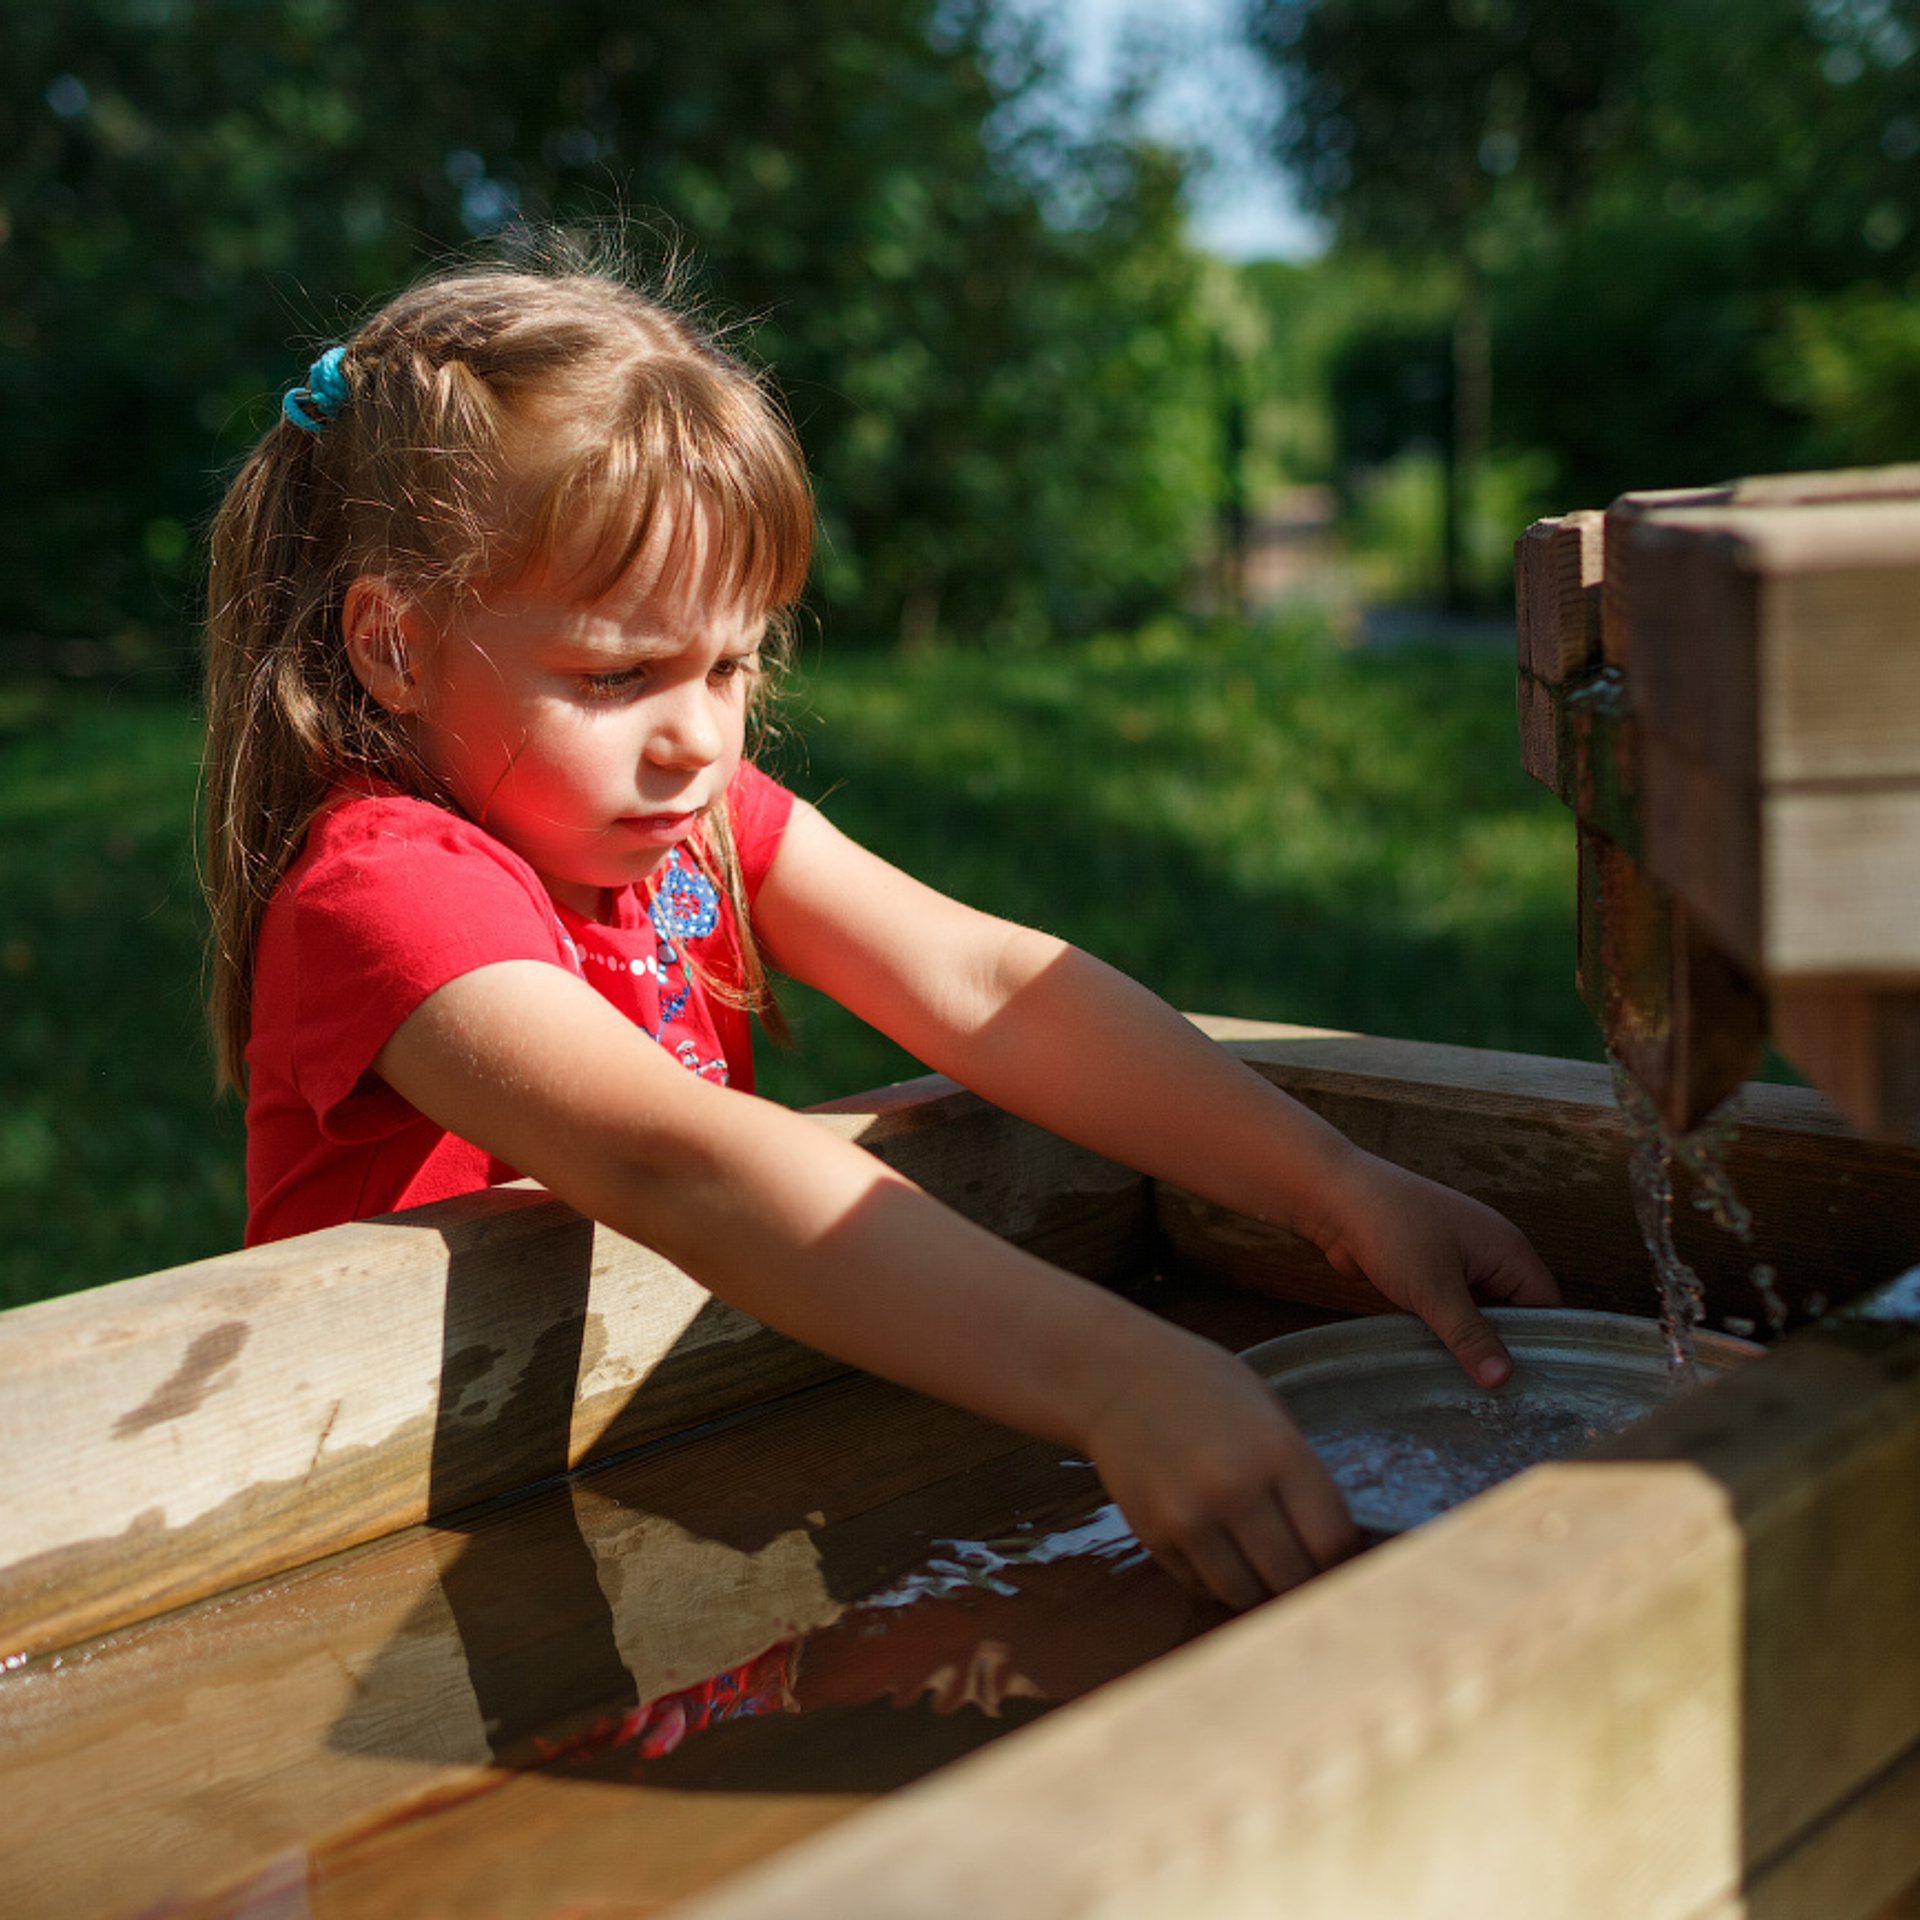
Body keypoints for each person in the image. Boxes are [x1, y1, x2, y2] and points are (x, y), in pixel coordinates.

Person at [202, 250, 1558, 1613]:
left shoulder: (699, 818)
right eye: (618, 674)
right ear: (394, 645)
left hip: (634, 1485)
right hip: (394, 1569)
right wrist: (1115, 1372)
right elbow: (679, 1165)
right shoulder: (381, 887)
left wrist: (1332, 1188)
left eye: (731, 664)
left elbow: (987, 986)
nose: (696, 737)